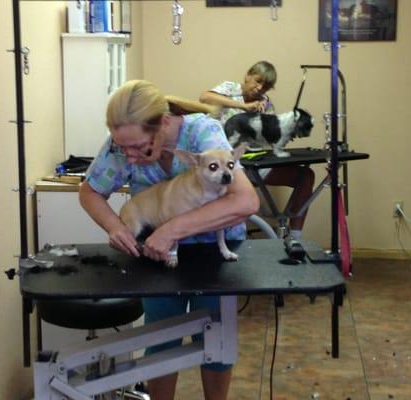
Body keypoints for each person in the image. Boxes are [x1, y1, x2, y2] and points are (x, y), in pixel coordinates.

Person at [79, 80, 259, 400]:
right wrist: (115, 227)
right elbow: (90, 191)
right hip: (158, 255)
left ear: (163, 124)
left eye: (140, 148)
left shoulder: (203, 134)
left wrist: (173, 229)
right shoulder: (123, 142)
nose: (130, 158)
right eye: (124, 149)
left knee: (217, 341)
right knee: (161, 341)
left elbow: (245, 202)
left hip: (212, 254)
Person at [199, 61, 315, 239]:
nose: (260, 88)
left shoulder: (265, 104)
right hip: (223, 166)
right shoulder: (229, 88)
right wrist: (243, 107)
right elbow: (205, 97)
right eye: (258, 81)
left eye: (266, 86)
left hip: (252, 164)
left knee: (306, 176)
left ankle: (295, 239)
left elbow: (269, 138)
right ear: (247, 75)